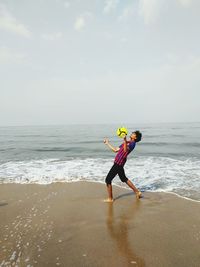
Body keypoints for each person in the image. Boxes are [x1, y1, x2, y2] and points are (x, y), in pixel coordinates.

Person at [104, 130, 142, 202]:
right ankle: (137, 192)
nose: (131, 134)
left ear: (135, 137)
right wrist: (107, 143)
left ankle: (110, 198)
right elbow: (115, 150)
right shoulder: (127, 142)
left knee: (108, 180)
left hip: (119, 163)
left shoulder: (132, 144)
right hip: (118, 163)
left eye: (133, 134)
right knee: (124, 178)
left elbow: (125, 151)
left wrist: (124, 140)